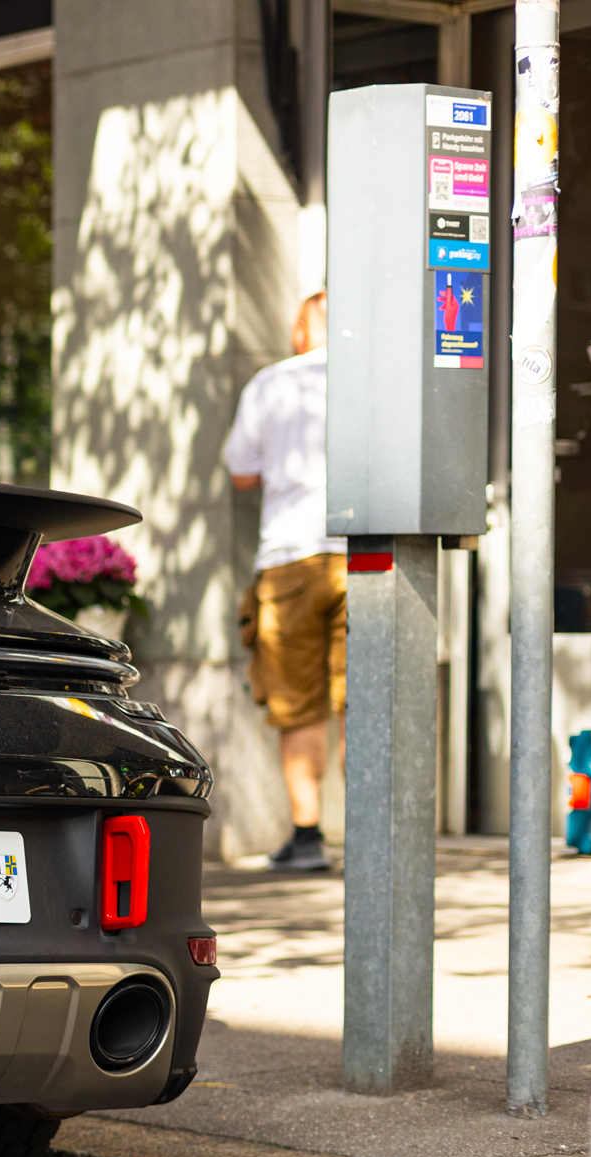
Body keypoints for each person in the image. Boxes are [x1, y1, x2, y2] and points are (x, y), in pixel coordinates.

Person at [226, 291, 341, 872]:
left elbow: (241, 473)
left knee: (299, 707)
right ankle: (379, 835)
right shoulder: (369, 382)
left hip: (291, 556)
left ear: (300, 330)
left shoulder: (272, 384)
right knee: (366, 704)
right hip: (365, 553)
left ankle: (308, 835)